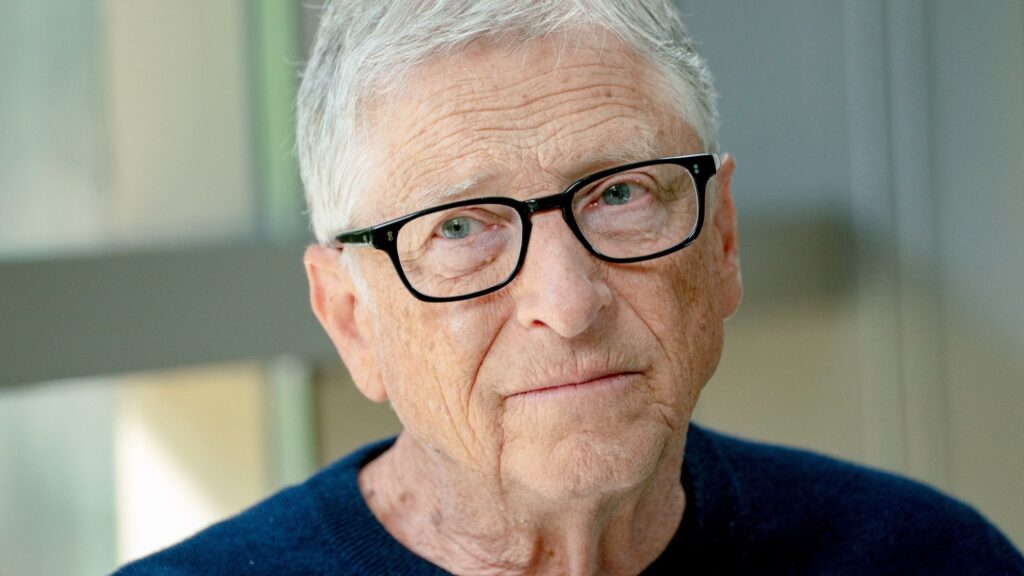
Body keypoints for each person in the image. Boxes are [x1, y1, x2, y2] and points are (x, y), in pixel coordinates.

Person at [116, 1, 1024, 574]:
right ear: (352, 319)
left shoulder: (930, 558)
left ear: (722, 240)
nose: (569, 302)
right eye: (460, 228)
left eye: (620, 194)